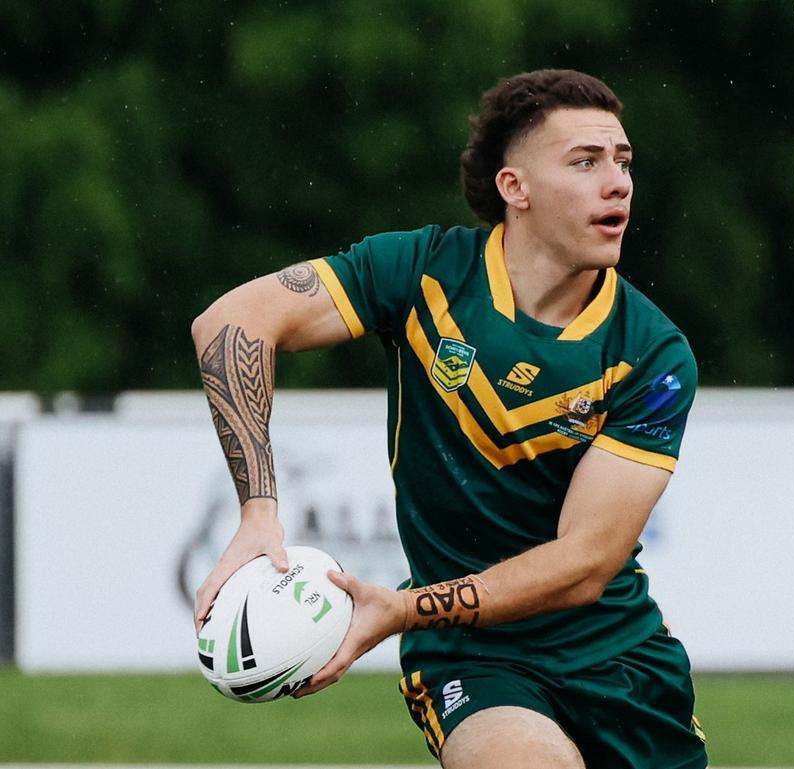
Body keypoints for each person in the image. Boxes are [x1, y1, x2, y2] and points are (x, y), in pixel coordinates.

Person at [192, 68, 707, 769]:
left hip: (622, 662)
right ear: (514, 189)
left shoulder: (650, 353)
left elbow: (584, 563)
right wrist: (258, 512)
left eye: (622, 162)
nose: (617, 182)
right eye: (584, 162)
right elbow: (233, 320)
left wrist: (402, 608)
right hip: (473, 656)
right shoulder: (423, 272)